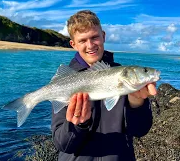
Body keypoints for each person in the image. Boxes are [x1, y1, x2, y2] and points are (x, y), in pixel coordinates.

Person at [51, 10, 157, 161]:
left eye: (94, 37)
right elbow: (61, 144)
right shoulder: (65, 81)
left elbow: (140, 130)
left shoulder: (125, 77)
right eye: (82, 40)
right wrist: (77, 126)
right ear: (73, 44)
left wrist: (137, 104)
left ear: (103, 36)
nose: (90, 45)